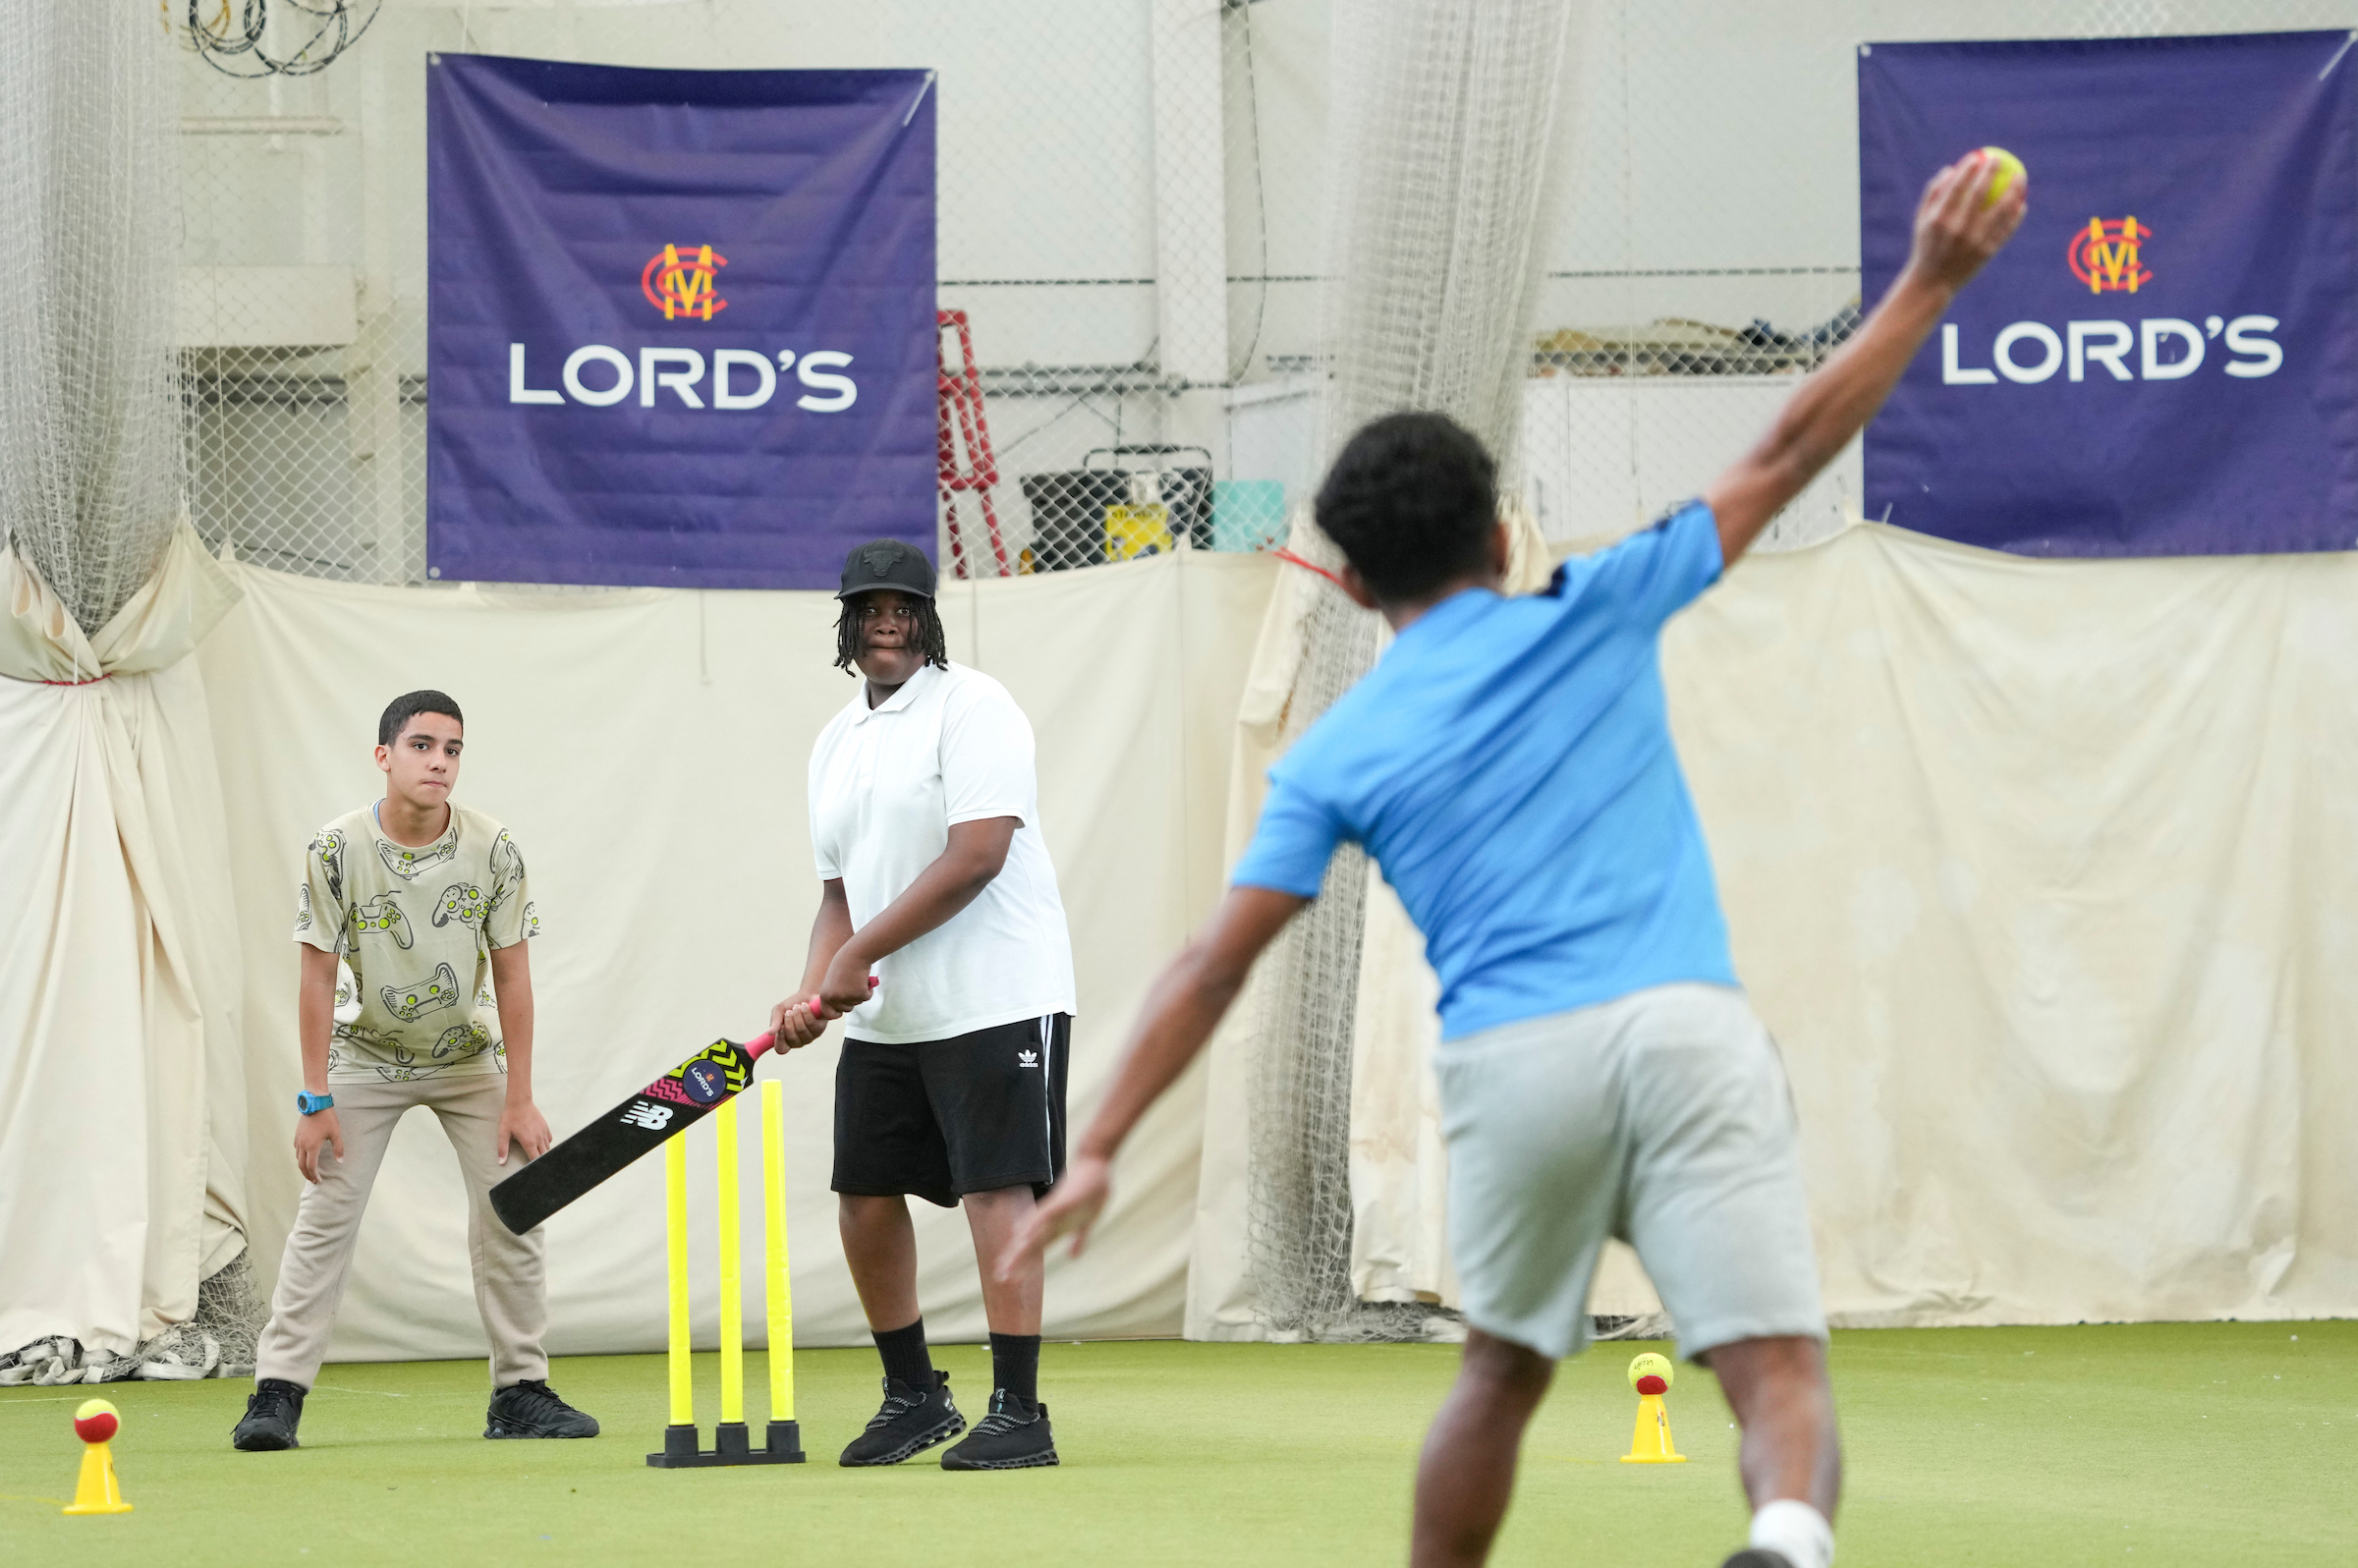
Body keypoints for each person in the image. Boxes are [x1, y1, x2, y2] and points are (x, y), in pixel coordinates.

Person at [1009, 152, 2025, 1565]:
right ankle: (1786, 1538)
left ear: (1353, 586)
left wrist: (1101, 1146)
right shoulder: (1595, 604)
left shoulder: (1338, 752)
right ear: (1500, 533)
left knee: (1499, 1375)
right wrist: (1930, 278)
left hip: (1515, 1066)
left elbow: (1211, 962)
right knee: (1774, 1370)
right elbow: (1786, 449)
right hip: (1686, 1035)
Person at [769, 537, 1078, 1471]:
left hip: (997, 993)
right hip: (890, 1012)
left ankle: (1019, 1413)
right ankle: (914, 1396)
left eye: (905, 605)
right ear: (847, 626)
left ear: (929, 619)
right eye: (870, 608)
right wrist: (814, 982)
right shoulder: (835, 740)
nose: (888, 620)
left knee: (996, 1190)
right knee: (863, 1196)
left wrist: (856, 954)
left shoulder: (975, 707)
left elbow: (977, 854)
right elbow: (838, 893)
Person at [232, 690, 596, 1450]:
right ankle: (277, 1394)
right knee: (325, 1217)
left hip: (469, 1061)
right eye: (423, 745)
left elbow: (514, 978)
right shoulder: (336, 848)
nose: (439, 761)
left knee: (513, 1209)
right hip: (362, 1057)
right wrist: (314, 1098)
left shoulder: (493, 847)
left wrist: (519, 1098)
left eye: (453, 749)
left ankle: (521, 1392)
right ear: (384, 756)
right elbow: (316, 979)